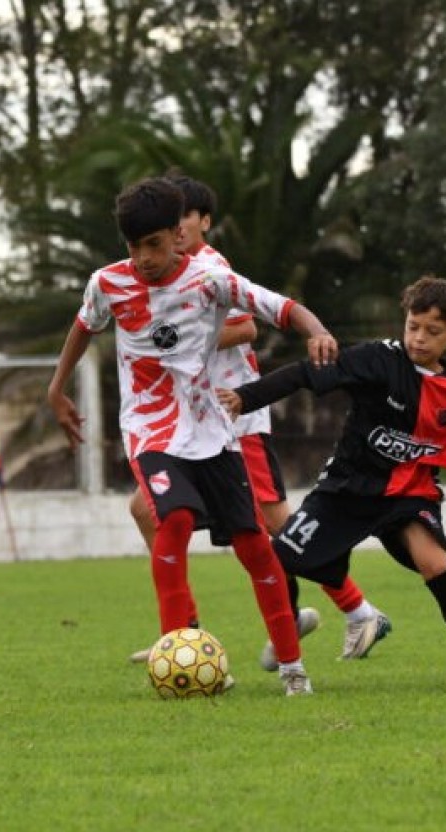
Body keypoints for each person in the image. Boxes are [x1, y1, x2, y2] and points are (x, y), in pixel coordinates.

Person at [47, 176, 339, 696]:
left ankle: (294, 670)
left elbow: (281, 308)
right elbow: (82, 326)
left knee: (254, 544)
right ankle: (177, 657)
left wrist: (316, 331)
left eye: (153, 244)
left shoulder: (211, 279)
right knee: (175, 517)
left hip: (211, 431)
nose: (142, 258)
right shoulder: (108, 283)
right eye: (133, 247)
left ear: (178, 237)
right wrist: (56, 388)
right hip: (150, 429)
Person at [126, 173, 387, 667]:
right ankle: (184, 635)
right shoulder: (159, 272)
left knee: (275, 524)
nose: (177, 227)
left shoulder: (207, 265)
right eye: (170, 217)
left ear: (203, 221)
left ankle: (357, 608)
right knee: (146, 509)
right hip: (190, 424)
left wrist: (173, 342)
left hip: (234, 418)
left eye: (186, 216)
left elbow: (246, 324)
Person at [220, 276, 446, 690]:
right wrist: (245, 398)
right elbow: (305, 373)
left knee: (437, 565)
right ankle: (287, 633)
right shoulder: (378, 359)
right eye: (413, 326)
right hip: (347, 491)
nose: (419, 339)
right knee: (277, 561)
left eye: (433, 331)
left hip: (409, 495)